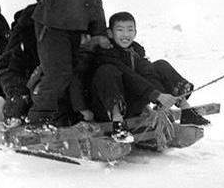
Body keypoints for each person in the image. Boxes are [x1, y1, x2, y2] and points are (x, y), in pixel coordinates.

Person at [84, 11, 207, 143]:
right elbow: (129, 76)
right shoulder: (105, 54)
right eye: (120, 30)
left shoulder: (136, 51)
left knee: (160, 65)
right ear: (110, 33)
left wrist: (160, 96)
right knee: (107, 71)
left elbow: (148, 73)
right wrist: (156, 95)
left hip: (131, 103)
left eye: (130, 30)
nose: (125, 35)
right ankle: (118, 124)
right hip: (106, 109)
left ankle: (185, 109)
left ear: (135, 32)